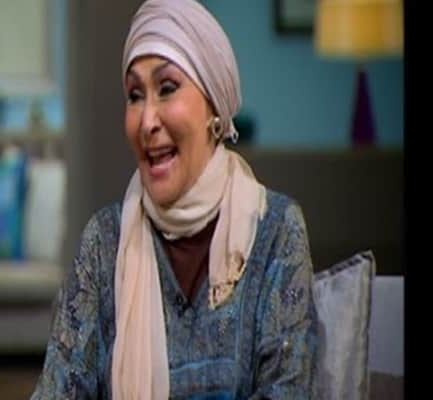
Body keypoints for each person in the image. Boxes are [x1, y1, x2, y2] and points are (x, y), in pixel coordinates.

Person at [31, 0, 318, 398]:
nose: (147, 121)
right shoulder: (104, 243)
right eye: (135, 95)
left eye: (167, 89)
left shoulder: (276, 231)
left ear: (214, 107)